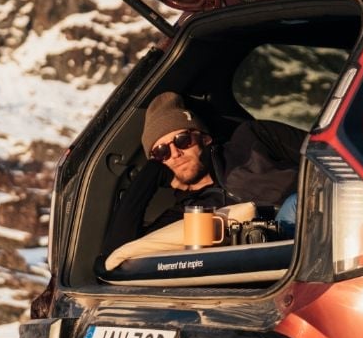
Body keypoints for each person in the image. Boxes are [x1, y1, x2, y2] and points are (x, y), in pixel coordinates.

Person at [101, 91, 303, 261]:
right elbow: (117, 255)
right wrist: (150, 174)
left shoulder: (252, 138)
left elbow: (326, 155)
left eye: (182, 140)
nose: (175, 153)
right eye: (161, 152)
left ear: (204, 138)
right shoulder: (183, 216)